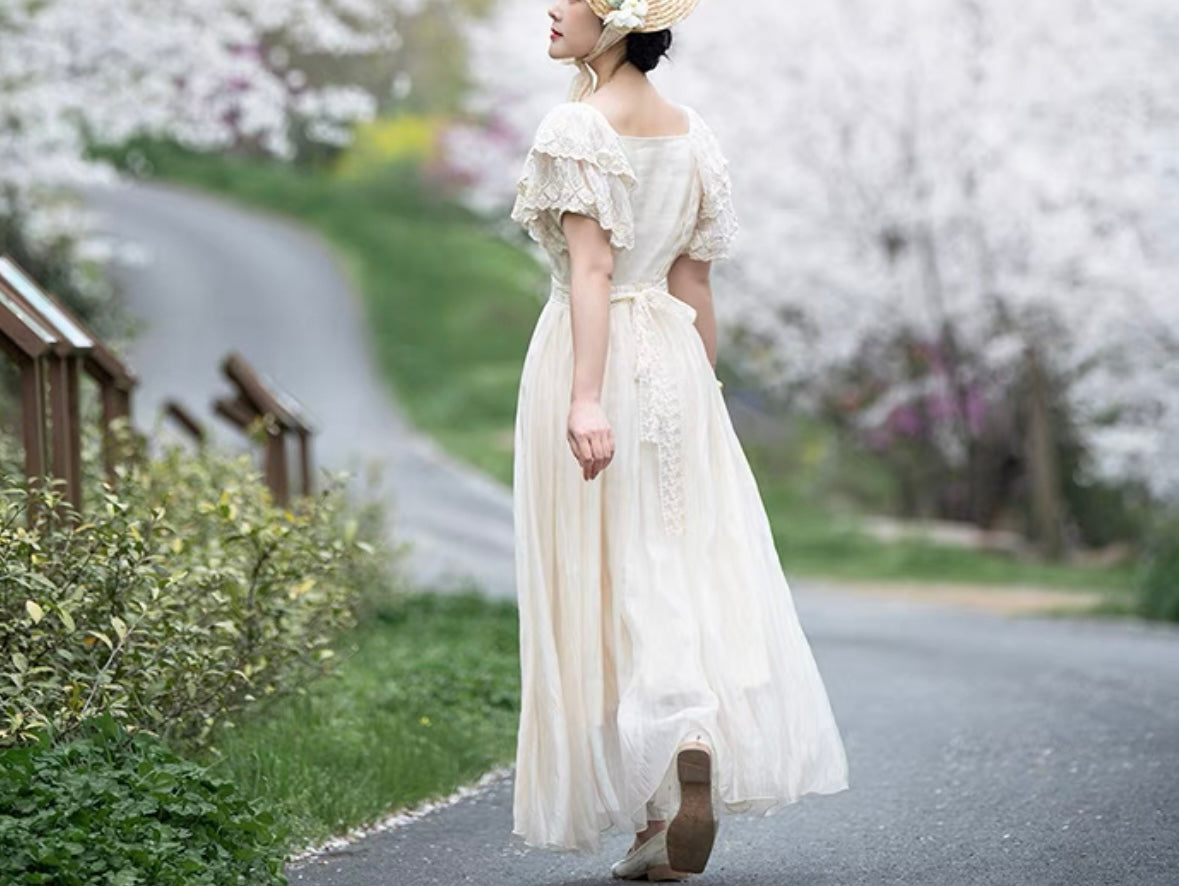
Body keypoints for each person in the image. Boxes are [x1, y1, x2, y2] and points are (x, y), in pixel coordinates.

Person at [509, 0, 850, 878]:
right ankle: (671, 781)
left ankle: (665, 764)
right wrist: (700, 393)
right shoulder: (692, 134)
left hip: (595, 355)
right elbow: (694, 281)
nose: (550, 10)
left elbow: (591, 269)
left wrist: (587, 399)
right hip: (676, 359)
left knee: (606, 572)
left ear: (615, 23)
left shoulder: (576, 126)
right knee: (674, 557)